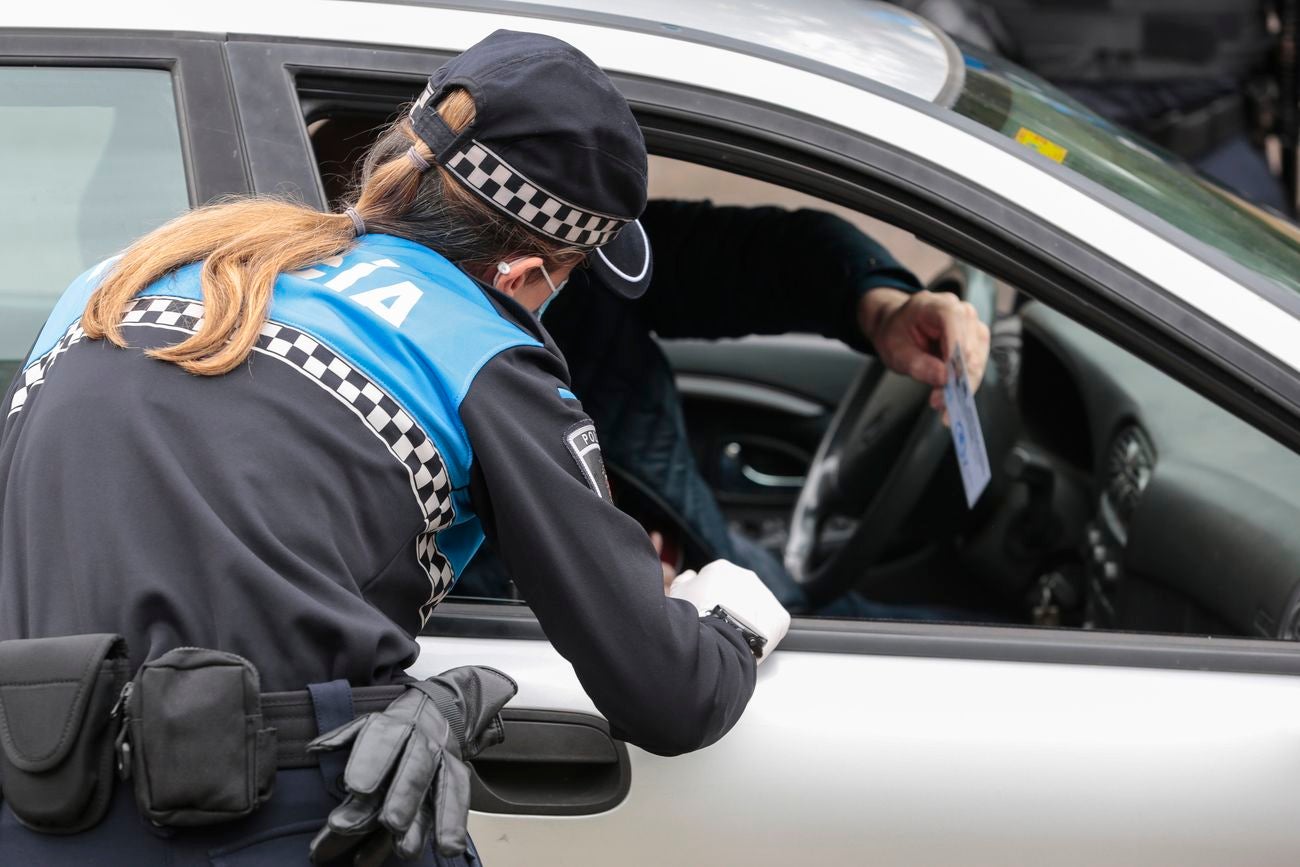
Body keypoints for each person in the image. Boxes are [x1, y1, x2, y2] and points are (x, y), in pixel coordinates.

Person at [0, 31, 787, 866]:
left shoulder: (123, 276)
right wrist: (730, 619)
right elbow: (665, 692)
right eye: (567, 277)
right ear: (519, 274)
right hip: (272, 821)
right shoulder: (475, 349)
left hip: (34, 789)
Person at [459, 200, 993, 618]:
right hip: (651, 637)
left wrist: (882, 306)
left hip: (717, 570)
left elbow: (756, 254)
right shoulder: (414, 385)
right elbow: (441, 593)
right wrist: (599, 589)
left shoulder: (593, 260)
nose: (579, 269)